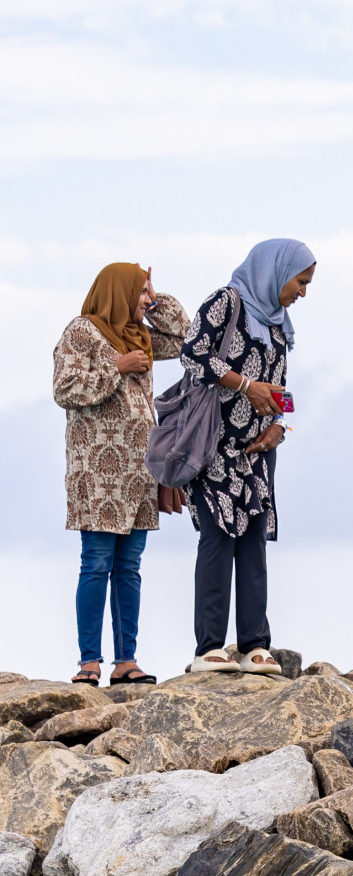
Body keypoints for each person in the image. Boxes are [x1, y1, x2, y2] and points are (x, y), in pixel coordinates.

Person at [180, 239, 316, 674]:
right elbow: (193, 355)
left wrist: (282, 426)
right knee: (218, 539)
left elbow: (281, 389)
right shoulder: (226, 302)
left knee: (254, 543)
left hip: (256, 451)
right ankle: (210, 648)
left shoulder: (279, 324)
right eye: (300, 282)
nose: (302, 292)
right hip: (214, 446)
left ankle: (256, 645)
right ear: (276, 272)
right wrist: (244, 385)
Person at [53, 264, 190, 686]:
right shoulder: (81, 331)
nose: (146, 300)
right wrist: (117, 366)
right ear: (118, 291)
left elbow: (187, 339)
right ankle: (89, 662)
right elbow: (64, 388)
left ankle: (126, 661)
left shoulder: (142, 335)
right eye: (140, 291)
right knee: (95, 563)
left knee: (129, 566)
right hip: (95, 474)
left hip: (138, 472)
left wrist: (157, 296)